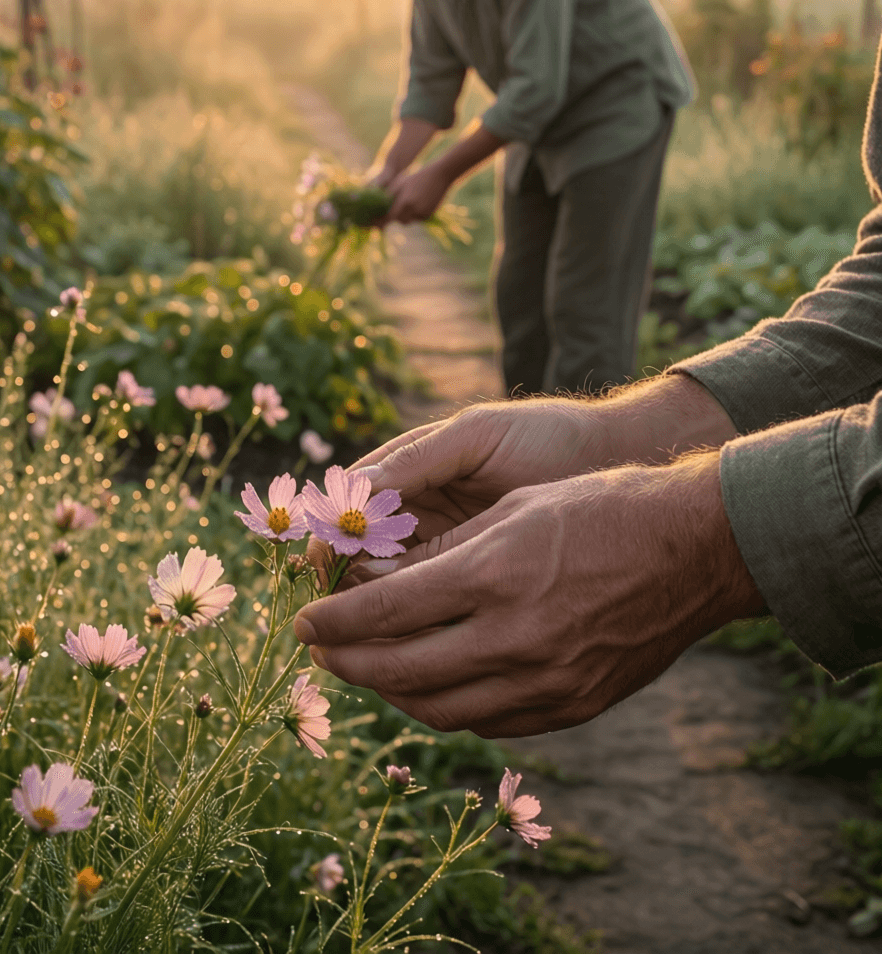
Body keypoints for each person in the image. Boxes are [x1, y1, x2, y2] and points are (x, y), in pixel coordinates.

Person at [293, 50, 882, 739]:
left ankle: (574, 541)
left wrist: (697, 539)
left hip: (613, 116)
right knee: (521, 294)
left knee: (582, 306)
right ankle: (559, 532)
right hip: (542, 135)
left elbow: (538, 79)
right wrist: (617, 437)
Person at [315, 0, 693, 398]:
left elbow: (538, 85)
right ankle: (521, 452)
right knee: (519, 303)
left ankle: (589, 459)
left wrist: (439, 175)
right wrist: (389, 172)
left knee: (585, 315)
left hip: (614, 107)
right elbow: (433, 77)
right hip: (535, 118)